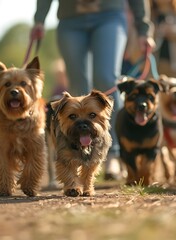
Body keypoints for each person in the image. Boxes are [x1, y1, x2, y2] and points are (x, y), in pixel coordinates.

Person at [31, 0, 156, 180]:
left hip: (109, 15)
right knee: (77, 88)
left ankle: (113, 153)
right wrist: (39, 19)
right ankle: (78, 154)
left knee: (106, 79)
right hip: (70, 19)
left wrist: (143, 29)